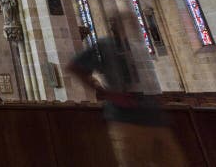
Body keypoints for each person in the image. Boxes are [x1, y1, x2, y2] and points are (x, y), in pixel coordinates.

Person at [68, 36, 187, 166]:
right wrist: (106, 93)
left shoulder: (138, 43)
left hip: (155, 118)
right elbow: (75, 66)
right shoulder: (106, 45)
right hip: (125, 120)